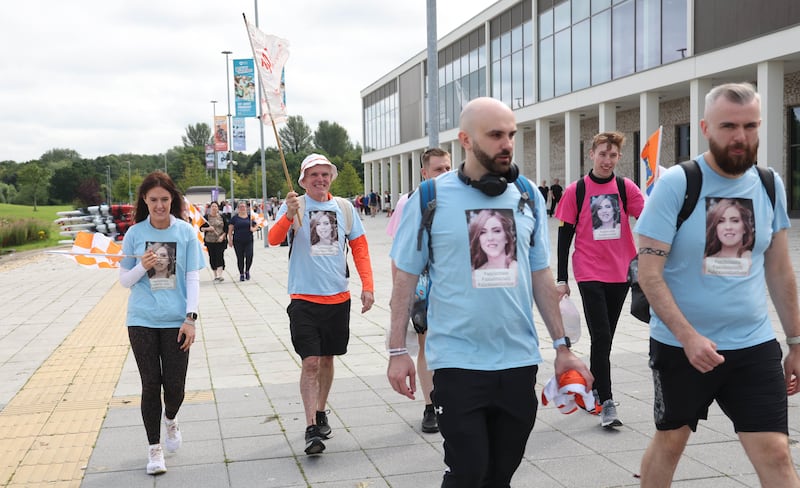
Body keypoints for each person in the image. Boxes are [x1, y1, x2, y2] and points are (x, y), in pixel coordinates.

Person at [387, 97, 592, 487]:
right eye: (496, 135)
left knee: (500, 474)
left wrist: (563, 347)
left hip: (517, 361)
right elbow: (404, 280)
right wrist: (399, 351)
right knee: (468, 471)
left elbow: (540, 277)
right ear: (466, 139)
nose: (507, 144)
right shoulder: (430, 198)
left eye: (511, 134)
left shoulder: (527, 194)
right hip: (457, 362)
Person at [636, 82, 800, 486]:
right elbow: (649, 274)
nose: (740, 137)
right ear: (705, 127)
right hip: (682, 348)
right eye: (729, 126)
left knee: (777, 453)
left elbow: (779, 269)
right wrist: (688, 337)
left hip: (753, 344)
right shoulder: (677, 183)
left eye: (750, 126)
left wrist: (796, 342)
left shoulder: (768, 184)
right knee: (670, 442)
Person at [268, 153, 375, 456]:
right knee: (311, 361)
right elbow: (274, 240)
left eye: (325, 174)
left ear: (331, 178)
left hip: (338, 297)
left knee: (328, 359)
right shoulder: (294, 206)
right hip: (303, 298)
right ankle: (311, 426)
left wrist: (368, 286)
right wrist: (288, 216)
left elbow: (360, 248)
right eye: (314, 175)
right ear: (303, 180)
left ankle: (321, 409)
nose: (320, 179)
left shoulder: (344, 208)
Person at [555, 131, 644, 429]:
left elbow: (647, 217)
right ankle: (606, 401)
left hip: (621, 272)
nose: (607, 160)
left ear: (618, 158)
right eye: (602, 154)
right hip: (589, 270)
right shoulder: (576, 190)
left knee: (604, 338)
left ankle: (593, 388)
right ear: (591, 154)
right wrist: (561, 278)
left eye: (613, 155)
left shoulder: (625, 187)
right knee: (602, 336)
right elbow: (564, 235)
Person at [118, 171, 204, 475]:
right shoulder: (134, 234)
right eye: (153, 200)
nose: (159, 205)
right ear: (145, 200)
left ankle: (171, 419)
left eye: (164, 199)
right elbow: (124, 281)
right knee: (150, 384)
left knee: (176, 387)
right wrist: (142, 266)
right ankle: (154, 450)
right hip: (141, 319)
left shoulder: (185, 233)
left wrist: (190, 318)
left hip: (176, 321)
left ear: (173, 200)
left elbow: (193, 278)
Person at [385, 147, 452, 434]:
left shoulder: (460, 199)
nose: (444, 174)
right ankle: (431, 405)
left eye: (448, 168)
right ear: (424, 173)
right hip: (424, 287)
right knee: (426, 345)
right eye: (438, 169)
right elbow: (398, 254)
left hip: (453, 286)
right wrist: (401, 294)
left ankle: (453, 399)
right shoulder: (410, 201)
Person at [703, 198, 755, 276]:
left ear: (745, 227)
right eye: (721, 221)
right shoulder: (705, 263)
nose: (728, 227)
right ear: (716, 228)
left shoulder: (755, 259)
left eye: (735, 221)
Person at [227, 200, 257, 282]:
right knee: (240, 258)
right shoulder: (235, 218)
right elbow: (230, 230)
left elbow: (257, 225)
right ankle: (241, 274)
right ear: (238, 208)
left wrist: (253, 229)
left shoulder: (250, 217)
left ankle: (247, 270)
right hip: (238, 240)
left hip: (249, 240)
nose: (242, 208)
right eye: (241, 207)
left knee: (249, 256)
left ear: (246, 208)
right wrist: (230, 239)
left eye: (244, 207)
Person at [200, 201, 228, 282]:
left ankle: (220, 275)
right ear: (210, 208)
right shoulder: (206, 217)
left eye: (215, 206)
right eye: (212, 206)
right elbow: (201, 228)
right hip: (210, 241)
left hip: (220, 240)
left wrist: (223, 236)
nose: (214, 208)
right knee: (212, 257)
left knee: (220, 256)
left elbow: (226, 228)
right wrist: (208, 229)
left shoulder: (222, 217)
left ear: (218, 208)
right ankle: (215, 274)